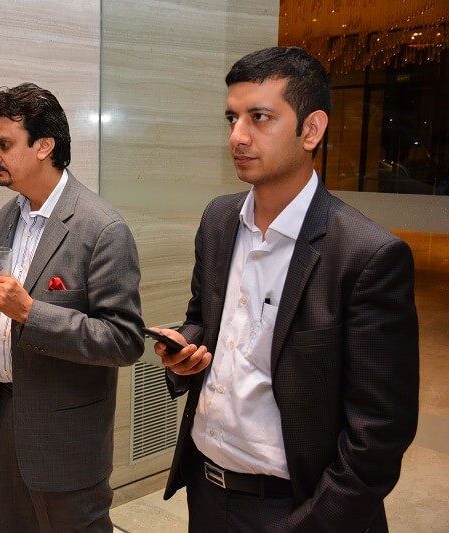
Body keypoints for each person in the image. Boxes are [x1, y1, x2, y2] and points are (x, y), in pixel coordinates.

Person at [152, 47, 419, 532]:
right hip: (206, 490)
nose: (237, 136)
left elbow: (380, 432)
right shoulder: (219, 220)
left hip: (295, 506)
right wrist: (187, 349)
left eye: (259, 118)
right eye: (232, 118)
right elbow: (203, 319)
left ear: (311, 130)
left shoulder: (366, 255)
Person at [0, 83, 144, 532]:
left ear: (44, 146)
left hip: (66, 437)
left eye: (3, 144)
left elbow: (124, 341)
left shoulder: (102, 229)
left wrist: (31, 312)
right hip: (1, 419)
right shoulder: (9, 216)